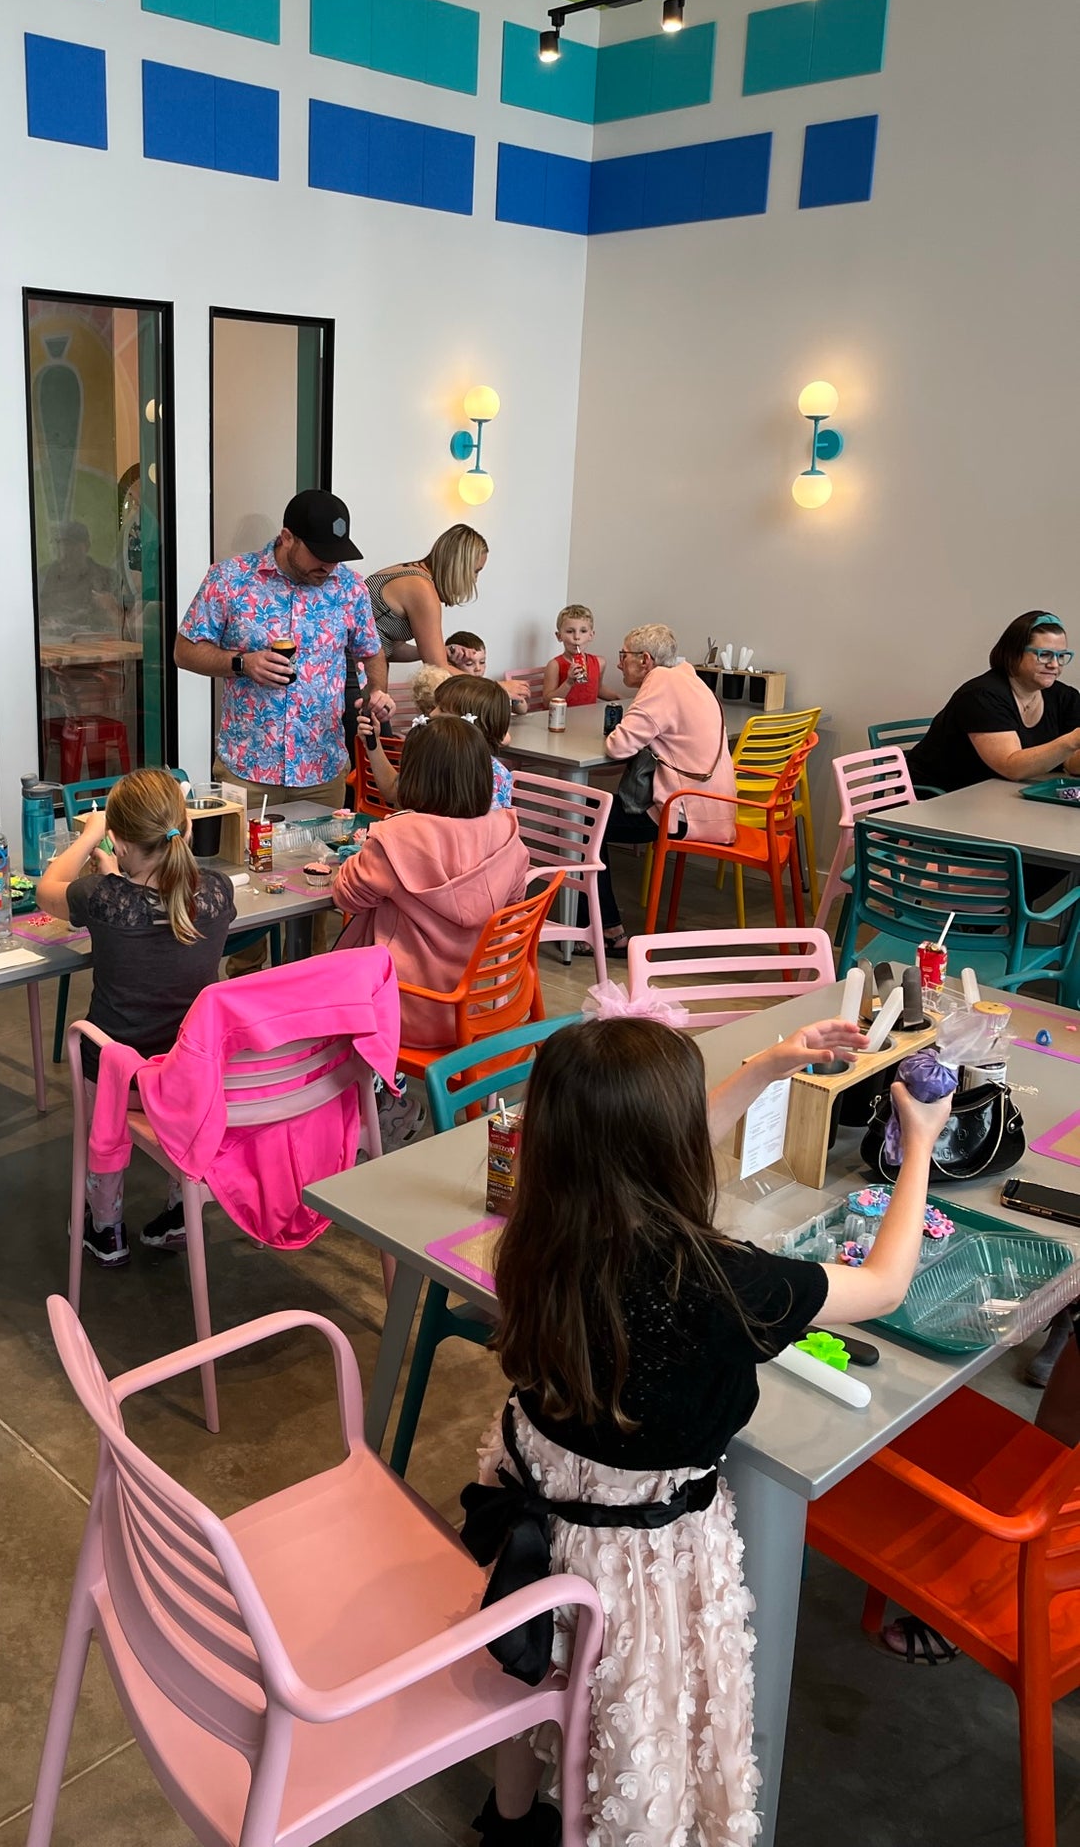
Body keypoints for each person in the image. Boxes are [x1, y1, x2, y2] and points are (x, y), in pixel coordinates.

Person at [467, 1015, 952, 1847]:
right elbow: (883, 1282)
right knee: (638, 1727)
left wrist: (767, 1067)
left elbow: (629, 1147)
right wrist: (920, 1152)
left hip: (535, 1503)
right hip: (640, 1557)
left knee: (534, 1670)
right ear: (672, 1148)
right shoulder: (720, 1282)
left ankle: (507, 1822)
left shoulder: (542, 1225)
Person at [36, 768, 237, 1266]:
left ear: (119, 842)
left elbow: (48, 889)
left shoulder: (103, 899)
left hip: (115, 1070)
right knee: (187, 1091)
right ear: (184, 829)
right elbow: (158, 899)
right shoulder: (215, 892)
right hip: (186, 1069)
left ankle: (104, 1229)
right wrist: (118, 867)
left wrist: (88, 835)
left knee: (98, 1101)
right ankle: (179, 1214)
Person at [175, 489, 393, 802]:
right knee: (242, 854)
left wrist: (376, 695)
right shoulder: (230, 579)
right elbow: (184, 651)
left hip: (323, 768)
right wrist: (242, 663)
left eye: (336, 556)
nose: (329, 565)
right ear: (287, 537)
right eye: (319, 554)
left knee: (325, 853)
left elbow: (372, 653)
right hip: (248, 769)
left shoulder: (350, 587)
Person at [332, 718, 529, 1052]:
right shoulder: (506, 831)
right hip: (479, 1006)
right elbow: (512, 905)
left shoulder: (396, 836)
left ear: (415, 774)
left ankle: (371, 1089)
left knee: (319, 984)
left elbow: (347, 897)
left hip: (399, 1009)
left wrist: (360, 856)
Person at [590, 623, 736, 953]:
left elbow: (618, 746)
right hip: (713, 805)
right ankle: (597, 922)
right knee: (597, 814)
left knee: (588, 821)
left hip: (684, 810)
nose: (618, 664)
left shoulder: (661, 684)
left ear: (644, 660)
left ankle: (605, 931)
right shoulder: (688, 677)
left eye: (623, 656)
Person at [909, 610, 1080, 792]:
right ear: (1014, 654)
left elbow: (1071, 763)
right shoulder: (981, 696)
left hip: (997, 794)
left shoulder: (1064, 696)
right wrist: (1072, 740)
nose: (1054, 664)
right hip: (938, 797)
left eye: (1061, 656)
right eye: (1044, 654)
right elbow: (1011, 766)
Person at [361, 674, 515, 812]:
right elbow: (393, 791)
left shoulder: (495, 777)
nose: (432, 713)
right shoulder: (434, 759)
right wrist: (372, 743)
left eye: (442, 709)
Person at [366, 525, 488, 668]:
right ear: (459, 567)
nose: (474, 580)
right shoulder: (421, 589)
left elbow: (390, 649)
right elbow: (437, 669)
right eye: (475, 571)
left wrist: (438, 651)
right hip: (348, 668)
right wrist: (495, 687)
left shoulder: (410, 571)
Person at [540, 604, 617, 708]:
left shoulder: (600, 663)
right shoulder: (554, 665)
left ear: (591, 635)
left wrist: (622, 698)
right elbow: (547, 702)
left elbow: (598, 689)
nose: (577, 637)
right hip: (561, 721)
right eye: (570, 631)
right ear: (559, 636)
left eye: (583, 631)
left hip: (588, 720)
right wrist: (568, 682)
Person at [444, 628, 529, 711]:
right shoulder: (454, 692)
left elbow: (522, 710)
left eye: (482, 662)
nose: (478, 668)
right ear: (452, 666)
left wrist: (516, 699)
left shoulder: (487, 682)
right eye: (469, 664)